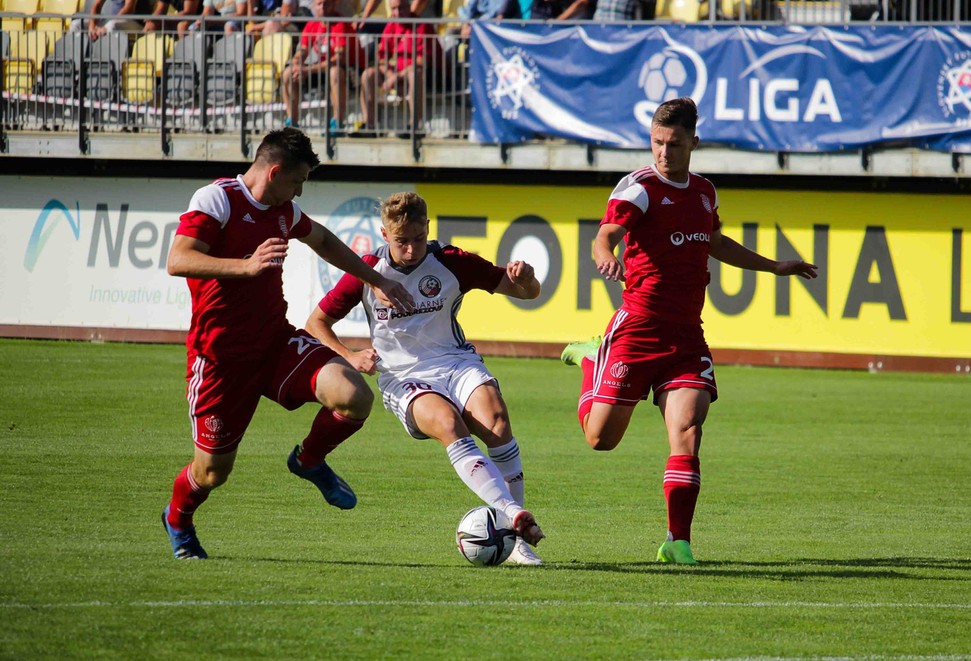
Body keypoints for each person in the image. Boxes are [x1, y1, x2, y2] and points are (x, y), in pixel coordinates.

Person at [560, 97, 818, 566]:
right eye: (657, 142)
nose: (663, 153)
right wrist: (605, 254)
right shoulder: (638, 187)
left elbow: (715, 242)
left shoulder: (704, 191)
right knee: (600, 439)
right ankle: (593, 359)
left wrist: (775, 266)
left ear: (693, 142)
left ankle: (678, 541)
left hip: (686, 338)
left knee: (688, 431)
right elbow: (605, 233)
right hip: (637, 330)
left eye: (673, 144)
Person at [161, 128, 415, 560]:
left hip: (276, 344)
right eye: (296, 182)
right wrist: (246, 266)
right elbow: (178, 259)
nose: (298, 192)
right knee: (211, 473)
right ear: (275, 171)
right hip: (220, 360)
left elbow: (323, 240)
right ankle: (178, 519)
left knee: (353, 396)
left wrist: (376, 278)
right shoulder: (217, 200)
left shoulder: (284, 211)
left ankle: (309, 459)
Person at [305, 191, 546, 565]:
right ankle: (512, 517)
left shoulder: (451, 261)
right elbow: (316, 323)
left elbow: (526, 293)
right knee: (449, 423)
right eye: (402, 241)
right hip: (404, 378)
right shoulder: (366, 272)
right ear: (385, 235)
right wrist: (350, 355)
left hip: (455, 362)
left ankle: (517, 541)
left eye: (418, 239)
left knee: (497, 422)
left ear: (428, 229)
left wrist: (527, 280)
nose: (412, 249)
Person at [353, 0, 440, 137]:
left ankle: (415, 126)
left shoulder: (422, 27)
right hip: (398, 74)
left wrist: (396, 77)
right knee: (368, 74)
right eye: (393, 9)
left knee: (414, 74)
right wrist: (390, 75)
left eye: (401, 8)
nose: (398, 13)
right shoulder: (391, 26)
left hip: (429, 76)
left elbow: (421, 61)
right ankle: (369, 125)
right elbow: (381, 58)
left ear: (408, 7)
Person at [281, 0, 364, 132]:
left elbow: (338, 59)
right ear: (313, 6)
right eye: (319, 4)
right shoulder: (312, 24)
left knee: (335, 72)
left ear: (334, 5)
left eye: (327, 4)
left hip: (351, 69)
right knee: (288, 73)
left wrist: (308, 69)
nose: (323, 8)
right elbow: (302, 51)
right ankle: (292, 122)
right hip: (324, 67)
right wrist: (296, 63)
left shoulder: (340, 24)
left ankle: (337, 122)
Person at [73, 0, 148, 39]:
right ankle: (78, 62)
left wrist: (104, 28)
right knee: (76, 25)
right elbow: (97, 5)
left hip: (136, 24)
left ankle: (112, 65)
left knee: (112, 25)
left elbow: (128, 9)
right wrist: (92, 26)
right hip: (114, 22)